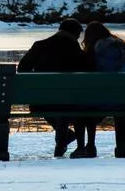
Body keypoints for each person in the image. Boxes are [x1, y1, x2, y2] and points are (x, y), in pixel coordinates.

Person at [17, 18, 92, 157]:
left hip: (41, 103)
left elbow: (22, 69)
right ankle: (64, 139)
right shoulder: (77, 51)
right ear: (75, 34)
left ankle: (64, 138)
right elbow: (89, 73)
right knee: (65, 105)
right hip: (73, 102)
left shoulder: (39, 46)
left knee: (54, 106)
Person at [71, 21, 125, 159]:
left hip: (102, 100)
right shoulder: (121, 48)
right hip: (123, 99)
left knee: (80, 106)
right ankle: (122, 147)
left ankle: (84, 147)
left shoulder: (96, 49)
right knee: (93, 103)